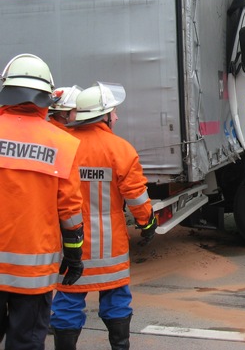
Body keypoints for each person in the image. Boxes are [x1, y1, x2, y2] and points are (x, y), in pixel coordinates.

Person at [50, 82, 157, 350]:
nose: (117, 116)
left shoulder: (64, 146)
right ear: (104, 115)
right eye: (114, 111)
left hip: (72, 248)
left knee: (67, 303)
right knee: (117, 301)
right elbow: (136, 197)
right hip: (112, 250)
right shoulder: (120, 149)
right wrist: (148, 223)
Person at [0, 54, 84, 350]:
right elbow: (70, 213)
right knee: (26, 343)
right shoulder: (62, 145)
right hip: (32, 274)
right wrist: (74, 257)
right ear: (47, 96)